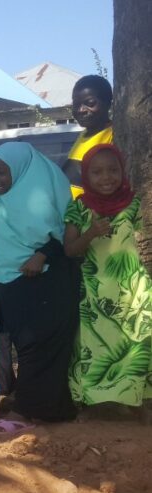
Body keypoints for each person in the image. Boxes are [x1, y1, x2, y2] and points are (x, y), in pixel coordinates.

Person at [0, 142, 78, 429]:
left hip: (45, 279)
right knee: (24, 344)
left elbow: (65, 234)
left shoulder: (46, 191)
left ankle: (24, 411)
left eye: (2, 172)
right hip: (9, 280)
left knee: (37, 344)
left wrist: (42, 254)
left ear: (21, 170)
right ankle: (50, 408)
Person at [64, 144, 151, 412]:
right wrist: (90, 233)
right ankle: (92, 404)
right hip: (95, 293)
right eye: (97, 172)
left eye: (113, 170)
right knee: (95, 347)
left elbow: (143, 241)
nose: (106, 177)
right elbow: (69, 250)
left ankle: (136, 400)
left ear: (122, 171)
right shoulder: (79, 206)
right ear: (86, 176)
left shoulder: (134, 203)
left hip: (133, 290)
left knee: (137, 342)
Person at [63, 75, 113, 198]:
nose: (81, 110)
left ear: (108, 103)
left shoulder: (113, 136)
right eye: (76, 104)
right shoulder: (83, 135)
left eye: (90, 103)